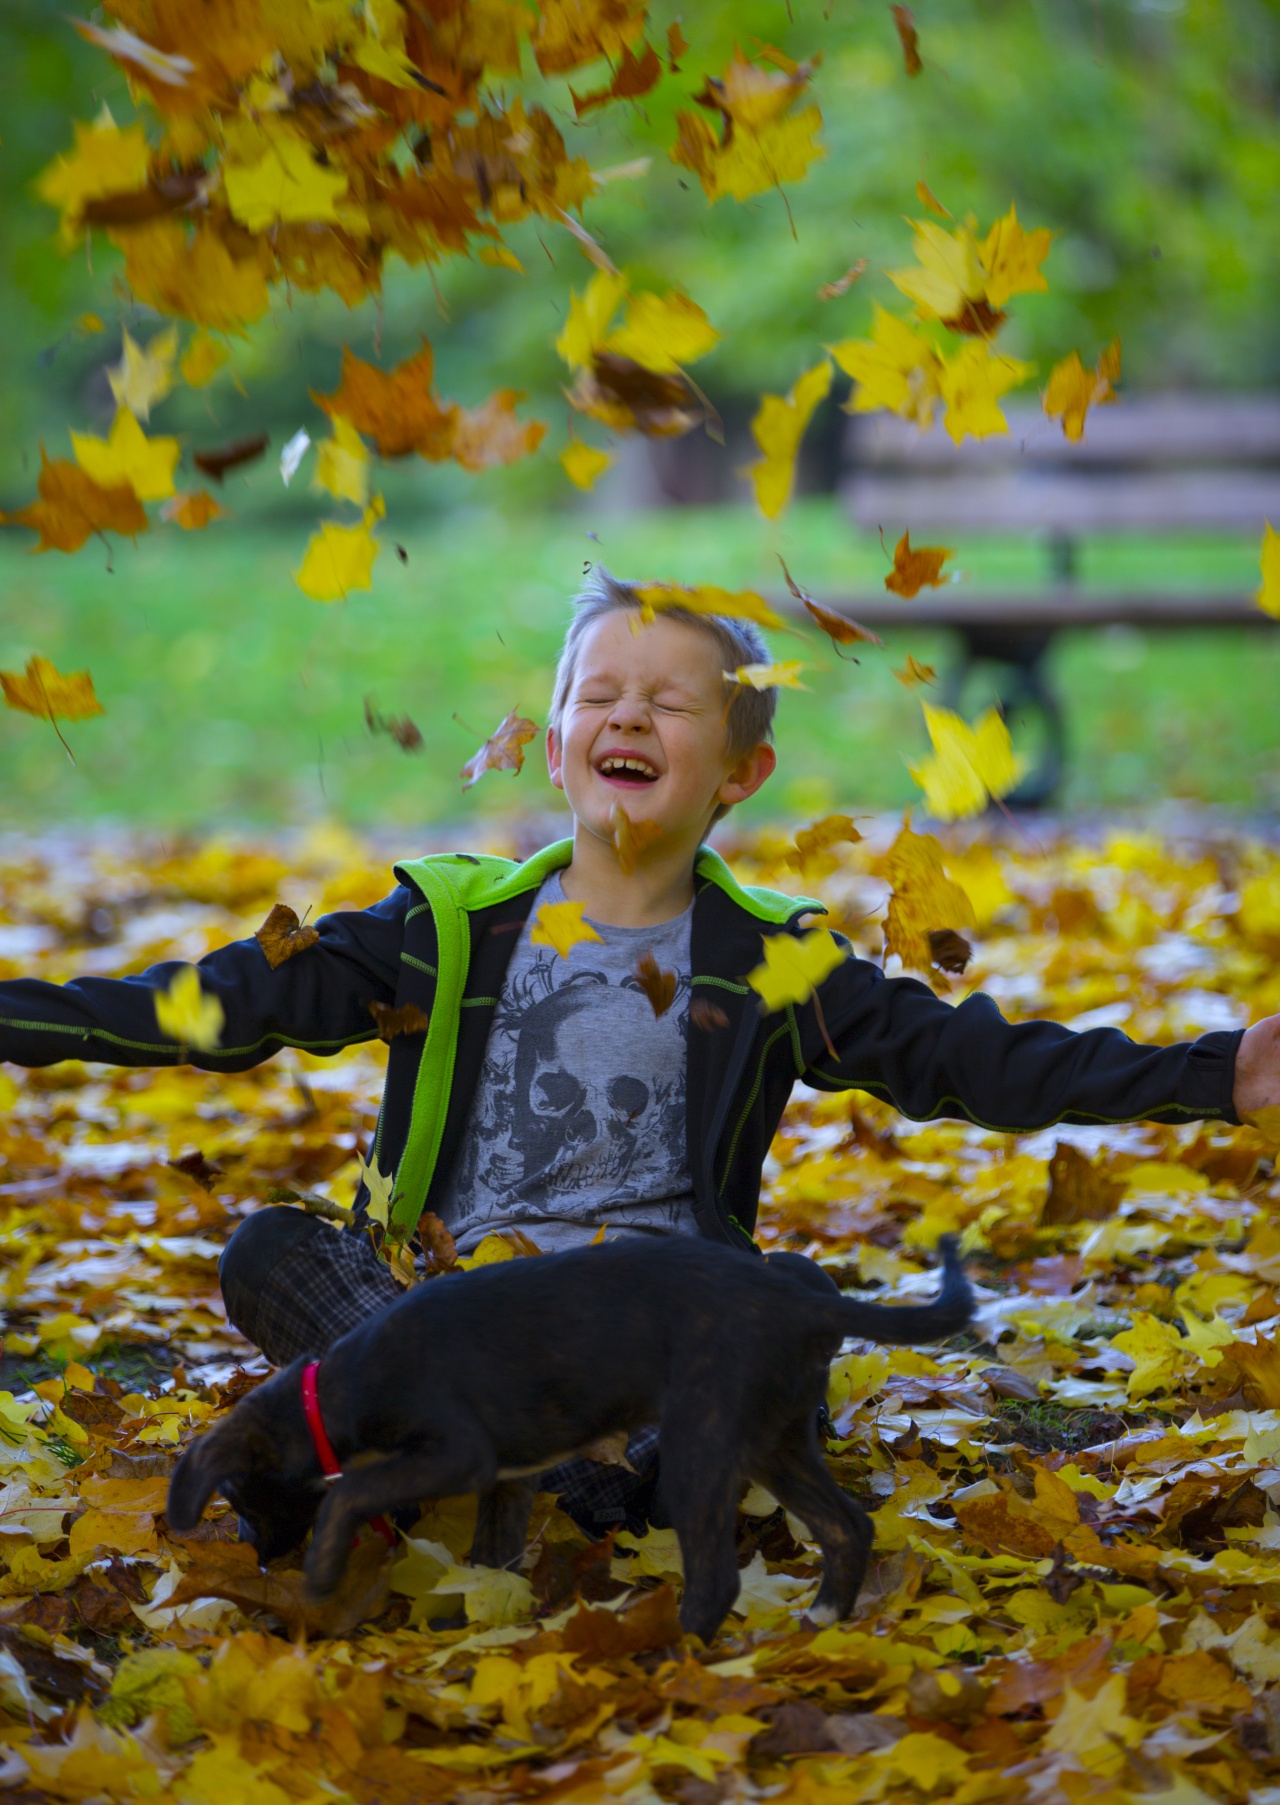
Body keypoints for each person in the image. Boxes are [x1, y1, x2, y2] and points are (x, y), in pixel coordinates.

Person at [2, 567, 1278, 1537]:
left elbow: (970, 1063)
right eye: (597, 696)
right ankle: (533, 1473)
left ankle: (536, 1477)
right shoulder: (445, 930)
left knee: (781, 1311)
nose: (627, 715)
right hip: (442, 1322)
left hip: (642, 1341)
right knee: (271, 1251)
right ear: (554, 745)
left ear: (739, 771)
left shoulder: (772, 956)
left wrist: (1216, 1071)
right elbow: (217, 1002)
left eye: (670, 703)